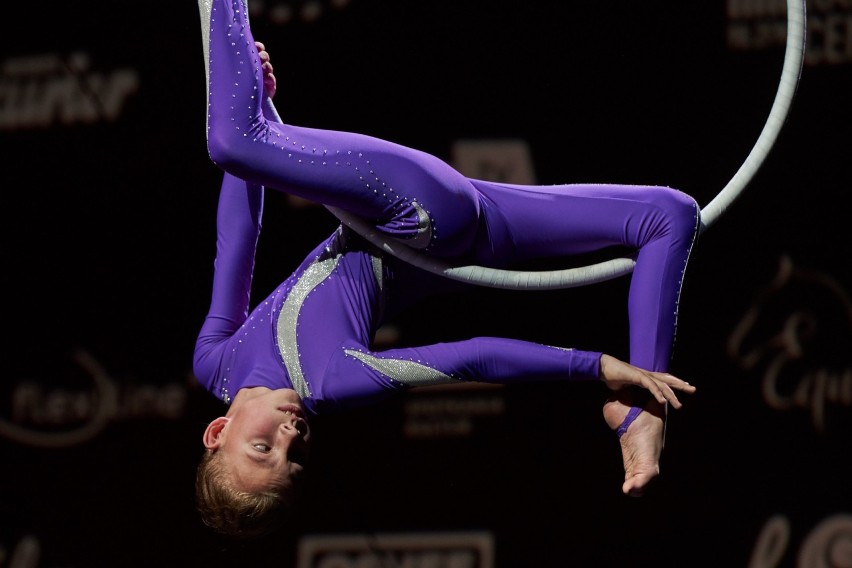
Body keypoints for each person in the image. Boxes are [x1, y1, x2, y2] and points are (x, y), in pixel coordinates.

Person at [193, 0, 700, 539]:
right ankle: (650, 408)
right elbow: (472, 358)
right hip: (415, 216)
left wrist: (261, 113)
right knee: (231, 140)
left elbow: (237, 240)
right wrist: (593, 366)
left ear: (218, 431)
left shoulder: (215, 363)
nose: (292, 434)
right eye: (295, 458)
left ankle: (639, 412)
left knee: (668, 217)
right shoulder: (331, 383)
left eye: (263, 446)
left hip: (473, 232)